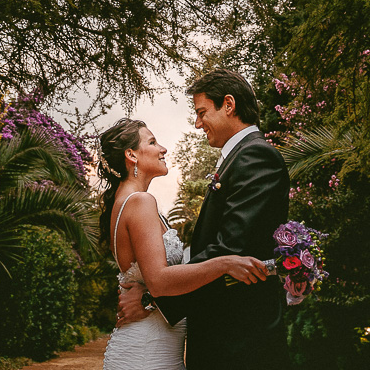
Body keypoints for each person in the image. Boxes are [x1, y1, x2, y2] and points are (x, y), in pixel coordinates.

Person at [118, 70, 292, 370]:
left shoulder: (255, 157)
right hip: (227, 333)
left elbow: (230, 248)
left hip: (240, 338)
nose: (198, 124)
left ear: (228, 104)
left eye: (201, 113)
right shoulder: (242, 157)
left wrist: (155, 299)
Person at [99, 117, 268, 370]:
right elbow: (158, 281)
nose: (163, 149)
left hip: (153, 343)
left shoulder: (123, 201)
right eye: (153, 142)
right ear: (131, 155)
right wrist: (224, 263)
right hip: (149, 353)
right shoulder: (140, 202)